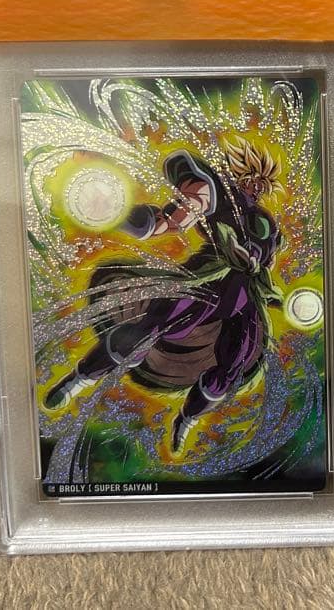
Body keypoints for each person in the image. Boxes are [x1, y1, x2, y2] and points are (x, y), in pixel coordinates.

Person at [43, 138, 285, 453]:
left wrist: (259, 271)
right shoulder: (220, 194)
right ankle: (79, 379)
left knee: (234, 363)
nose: (256, 187)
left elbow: (265, 263)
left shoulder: (268, 224)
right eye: (252, 178)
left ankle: (187, 420)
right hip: (208, 279)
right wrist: (121, 215)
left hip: (244, 296)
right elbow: (172, 220)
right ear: (241, 176)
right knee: (150, 328)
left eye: (262, 183)